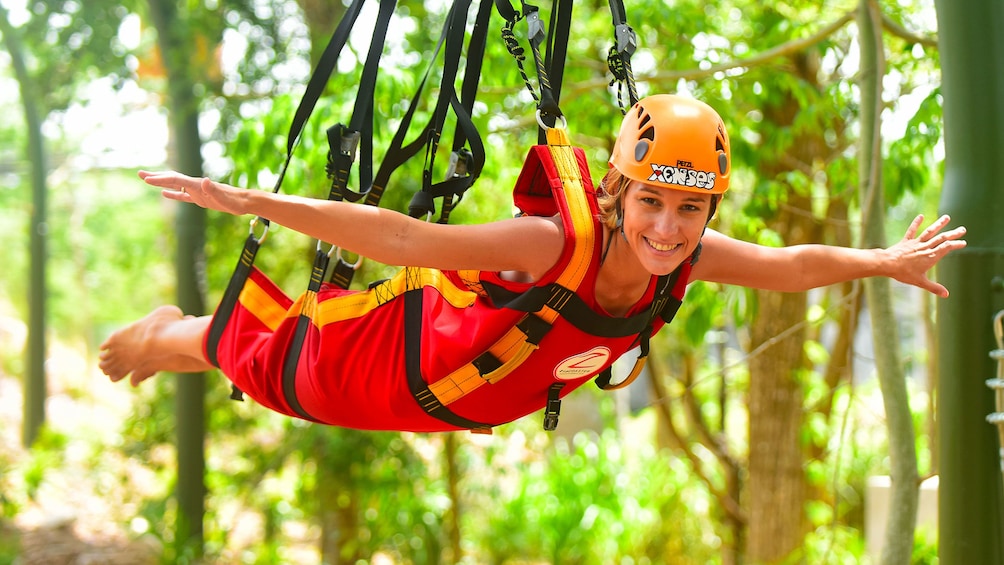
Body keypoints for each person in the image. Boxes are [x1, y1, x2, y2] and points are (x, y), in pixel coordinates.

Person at [99, 94, 966, 432]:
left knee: (255, 363)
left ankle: (173, 341)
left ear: (707, 210)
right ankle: (163, 334)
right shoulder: (555, 245)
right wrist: (256, 203)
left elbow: (788, 264)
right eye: (651, 203)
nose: (667, 227)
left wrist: (881, 258)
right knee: (268, 361)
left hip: (459, 402)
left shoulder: (685, 261)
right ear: (620, 191)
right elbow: (404, 239)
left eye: (690, 209)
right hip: (393, 369)